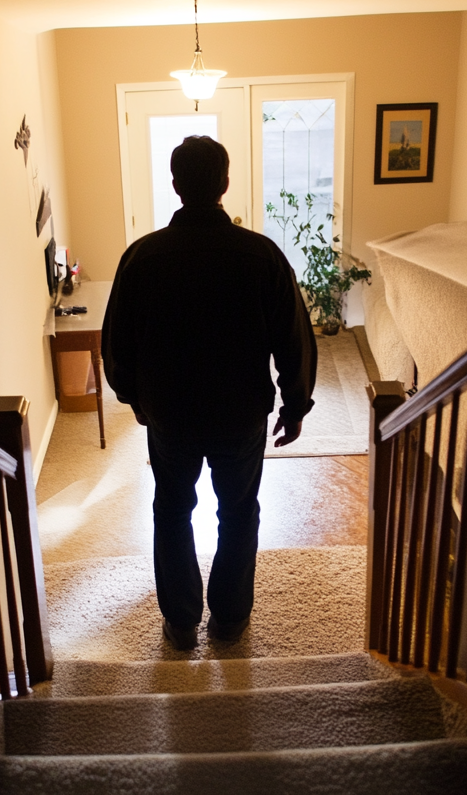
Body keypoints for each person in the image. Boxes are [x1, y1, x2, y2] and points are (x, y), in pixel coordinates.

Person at [101, 135, 317, 651]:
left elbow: (116, 344)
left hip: (170, 415)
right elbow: (293, 336)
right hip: (240, 414)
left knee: (172, 508)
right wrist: (295, 402)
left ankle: (179, 622)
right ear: (224, 183)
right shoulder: (261, 256)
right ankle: (229, 619)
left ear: (174, 184)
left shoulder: (141, 258)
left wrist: (136, 399)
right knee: (238, 510)